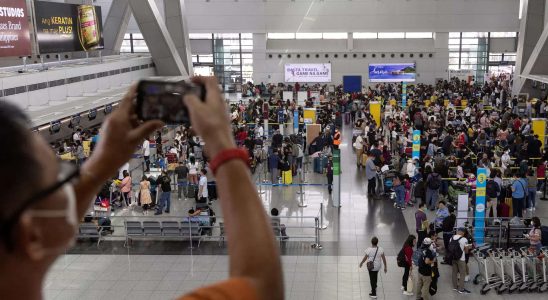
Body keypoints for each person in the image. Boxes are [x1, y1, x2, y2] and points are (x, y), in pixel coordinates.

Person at [449, 227, 471, 294]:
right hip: (461, 259)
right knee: (462, 274)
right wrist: (466, 248)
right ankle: (461, 289)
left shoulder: (451, 238)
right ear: (463, 232)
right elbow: (466, 251)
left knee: (454, 272)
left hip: (453, 258)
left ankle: (455, 287)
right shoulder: (464, 239)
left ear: (458, 231)